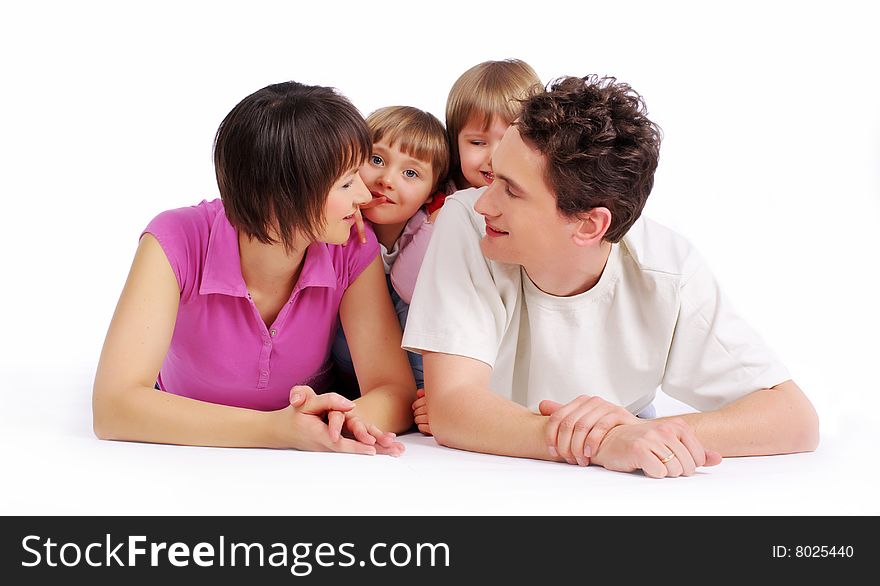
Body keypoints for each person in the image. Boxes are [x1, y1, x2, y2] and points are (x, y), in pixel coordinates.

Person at [403, 75, 819, 478]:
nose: (483, 204)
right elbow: (452, 407)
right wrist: (599, 442)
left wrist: (641, 435)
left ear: (589, 225)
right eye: (493, 177)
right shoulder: (466, 222)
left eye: (511, 191)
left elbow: (793, 416)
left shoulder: (668, 270)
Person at [92, 81, 416, 456]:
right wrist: (277, 429)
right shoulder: (175, 239)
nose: (363, 196)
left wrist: (337, 420)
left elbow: (395, 390)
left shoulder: (352, 245)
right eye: (346, 183)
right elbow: (113, 407)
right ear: (280, 197)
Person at [332, 106, 450, 392]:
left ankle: (428, 393)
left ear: (432, 193)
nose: (387, 179)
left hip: (407, 374)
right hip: (340, 367)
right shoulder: (335, 226)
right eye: (376, 159)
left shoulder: (429, 231)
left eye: (410, 173)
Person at [445, 59, 541, 191]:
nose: (494, 159)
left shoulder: (547, 197)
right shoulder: (437, 200)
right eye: (477, 142)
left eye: (510, 141)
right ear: (455, 144)